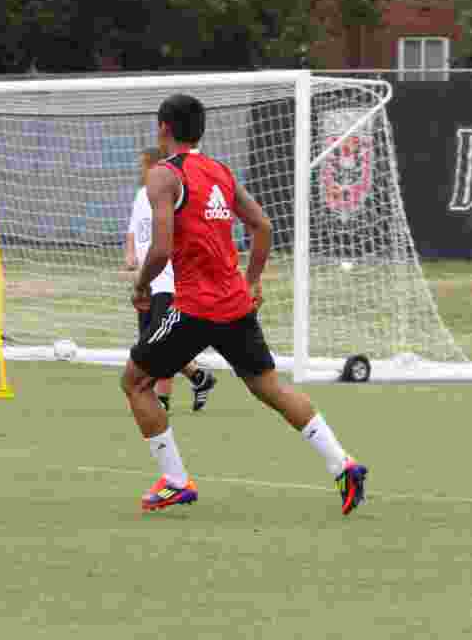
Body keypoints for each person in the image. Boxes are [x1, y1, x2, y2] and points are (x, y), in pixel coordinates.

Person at [120, 94, 368, 514]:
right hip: (235, 305)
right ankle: (342, 463)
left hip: (195, 307)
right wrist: (250, 281)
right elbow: (263, 225)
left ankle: (176, 480)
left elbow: (160, 249)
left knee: (134, 382)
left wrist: (141, 286)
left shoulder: (163, 175)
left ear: (163, 128)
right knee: (269, 387)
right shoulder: (219, 171)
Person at [126, 146, 217, 413]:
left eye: (144, 166)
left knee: (160, 342)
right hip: (145, 281)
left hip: (167, 280)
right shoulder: (141, 195)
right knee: (148, 340)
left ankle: (162, 399)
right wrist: (130, 255)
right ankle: (200, 377)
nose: (140, 171)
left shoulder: (167, 195)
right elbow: (133, 230)